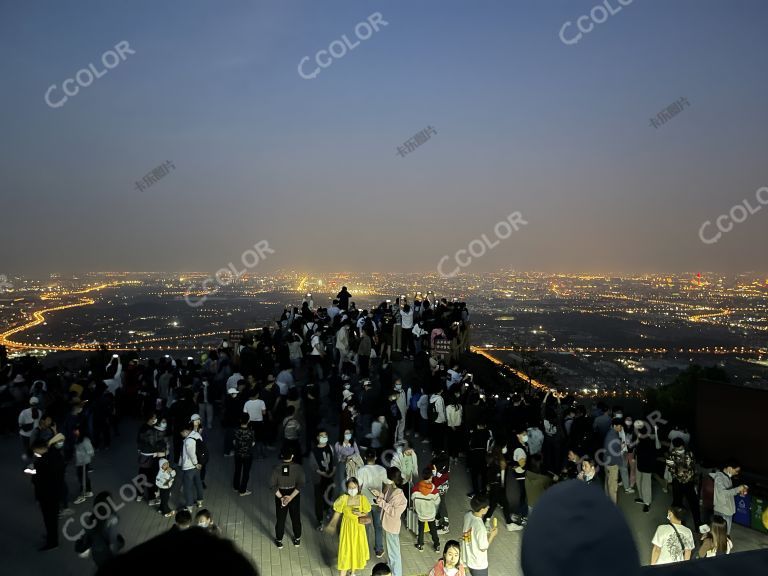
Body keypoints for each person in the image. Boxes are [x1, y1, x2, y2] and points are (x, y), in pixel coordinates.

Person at [325, 477, 372, 576]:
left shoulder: (362, 498)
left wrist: (360, 513)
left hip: (359, 528)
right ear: (347, 488)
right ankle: (343, 572)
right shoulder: (343, 498)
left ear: (358, 487)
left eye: (354, 487)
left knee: (355, 548)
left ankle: (353, 572)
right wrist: (332, 524)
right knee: (345, 550)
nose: (352, 490)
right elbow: (337, 513)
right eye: (350, 488)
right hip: (347, 528)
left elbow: (366, 512)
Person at [372, 468, 408, 576]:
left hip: (392, 527)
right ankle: (391, 566)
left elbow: (394, 512)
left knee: (394, 553)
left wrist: (382, 502)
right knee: (391, 550)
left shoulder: (401, 498)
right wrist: (379, 494)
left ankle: (397, 573)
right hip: (387, 524)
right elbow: (386, 499)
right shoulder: (391, 488)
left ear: (392, 479)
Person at [26, 440, 59, 550]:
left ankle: (52, 542)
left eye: (35, 451)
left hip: (46, 494)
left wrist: (32, 472)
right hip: (54, 492)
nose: (35, 453)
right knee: (52, 518)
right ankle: (52, 537)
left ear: (40, 449)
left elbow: (37, 480)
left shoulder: (41, 462)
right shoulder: (53, 455)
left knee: (49, 518)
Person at [270, 446, 305, 548]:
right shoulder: (298, 468)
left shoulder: (276, 469)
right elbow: (301, 484)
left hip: (280, 493)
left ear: (281, 456)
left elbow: (272, 486)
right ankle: (297, 539)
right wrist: (290, 497)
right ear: (292, 456)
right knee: (295, 517)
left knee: (280, 519)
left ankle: (279, 540)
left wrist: (281, 498)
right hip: (294, 494)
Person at [357, 449, 388, 558]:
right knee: (378, 526)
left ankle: (363, 548)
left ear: (365, 458)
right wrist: (382, 494)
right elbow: (387, 484)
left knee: (365, 525)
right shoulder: (382, 469)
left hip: (365, 502)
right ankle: (379, 549)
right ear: (375, 457)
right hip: (377, 501)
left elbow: (359, 487)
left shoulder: (361, 470)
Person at [666, 437, 701, 530]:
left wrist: (695, 482)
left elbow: (694, 467)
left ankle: (698, 525)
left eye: (681, 448)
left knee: (694, 504)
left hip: (689, 482)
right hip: (678, 483)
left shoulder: (689, 453)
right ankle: (677, 523)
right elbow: (671, 469)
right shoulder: (671, 455)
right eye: (678, 449)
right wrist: (679, 470)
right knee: (677, 504)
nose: (680, 450)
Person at [461, 495, 498, 576]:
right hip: (478, 564)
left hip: (467, 557)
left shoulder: (467, 515)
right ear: (482, 509)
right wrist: (492, 535)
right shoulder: (480, 527)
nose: (488, 507)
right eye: (486, 507)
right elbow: (483, 547)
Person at [710, 459, 747, 535]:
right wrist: (738, 489)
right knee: (722, 534)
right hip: (723, 510)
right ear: (730, 468)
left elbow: (729, 492)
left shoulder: (727, 477)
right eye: (736, 471)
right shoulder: (719, 478)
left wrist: (739, 491)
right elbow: (723, 493)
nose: (736, 473)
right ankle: (722, 546)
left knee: (722, 534)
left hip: (727, 510)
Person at [411, 468, 441, 552]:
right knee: (433, 529)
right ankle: (437, 545)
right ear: (431, 477)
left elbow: (413, 498)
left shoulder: (416, 488)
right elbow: (437, 502)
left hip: (421, 512)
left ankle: (420, 544)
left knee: (421, 529)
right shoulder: (434, 490)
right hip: (431, 513)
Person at [179, 424, 204, 510]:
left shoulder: (188, 441)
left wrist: (195, 463)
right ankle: (200, 501)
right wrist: (199, 463)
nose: (181, 435)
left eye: (181, 433)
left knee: (187, 487)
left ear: (185, 431)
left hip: (190, 466)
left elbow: (191, 454)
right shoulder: (196, 434)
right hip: (197, 466)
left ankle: (189, 506)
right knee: (198, 483)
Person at [233, 412, 255, 496]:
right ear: (248, 421)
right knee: (246, 472)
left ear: (240, 420)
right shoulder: (251, 432)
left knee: (237, 470)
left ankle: (236, 487)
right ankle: (242, 491)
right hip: (247, 455)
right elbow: (253, 444)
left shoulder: (236, 430)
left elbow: (234, 442)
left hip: (238, 454)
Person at [603, 418, 623, 504]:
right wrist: (621, 447)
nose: (621, 428)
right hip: (612, 464)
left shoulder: (610, 433)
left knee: (608, 483)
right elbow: (615, 452)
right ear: (615, 426)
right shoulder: (613, 437)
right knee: (613, 487)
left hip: (606, 462)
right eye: (620, 426)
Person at [73, 427, 95, 504]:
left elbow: (91, 452)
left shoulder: (85, 440)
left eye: (76, 430)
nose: (75, 431)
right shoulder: (78, 438)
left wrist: (85, 458)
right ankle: (88, 491)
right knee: (83, 477)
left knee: (83, 478)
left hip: (83, 463)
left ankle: (83, 495)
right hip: (80, 462)